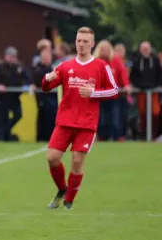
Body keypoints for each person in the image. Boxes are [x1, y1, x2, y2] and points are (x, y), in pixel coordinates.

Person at [42, 27, 119, 210]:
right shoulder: (65, 66)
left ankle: (69, 201)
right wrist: (46, 78)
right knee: (52, 158)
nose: (81, 44)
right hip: (64, 121)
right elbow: (46, 87)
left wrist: (94, 93)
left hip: (87, 123)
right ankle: (62, 189)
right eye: (79, 41)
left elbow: (115, 90)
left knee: (77, 160)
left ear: (92, 44)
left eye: (85, 41)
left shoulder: (101, 66)